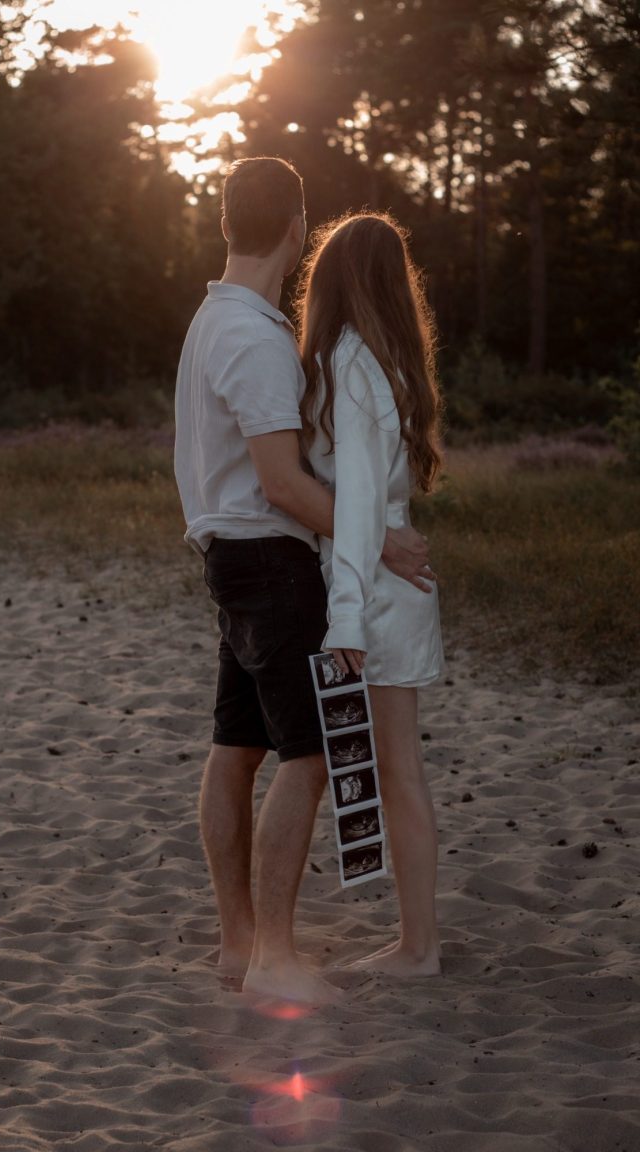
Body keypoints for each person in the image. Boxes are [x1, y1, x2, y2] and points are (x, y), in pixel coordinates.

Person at [174, 159, 436, 1003]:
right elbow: (286, 484)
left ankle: (238, 941)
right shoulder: (254, 337)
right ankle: (275, 956)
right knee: (312, 751)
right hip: (270, 561)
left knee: (235, 747)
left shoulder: (212, 323)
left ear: (225, 225)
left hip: (231, 556)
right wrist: (378, 539)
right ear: (294, 228)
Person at [296, 210, 444, 977]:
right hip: (392, 584)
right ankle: (417, 940)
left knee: (395, 771)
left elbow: (355, 504)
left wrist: (344, 616)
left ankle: (417, 947)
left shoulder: (352, 364)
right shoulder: (388, 364)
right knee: (398, 770)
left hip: (375, 594)